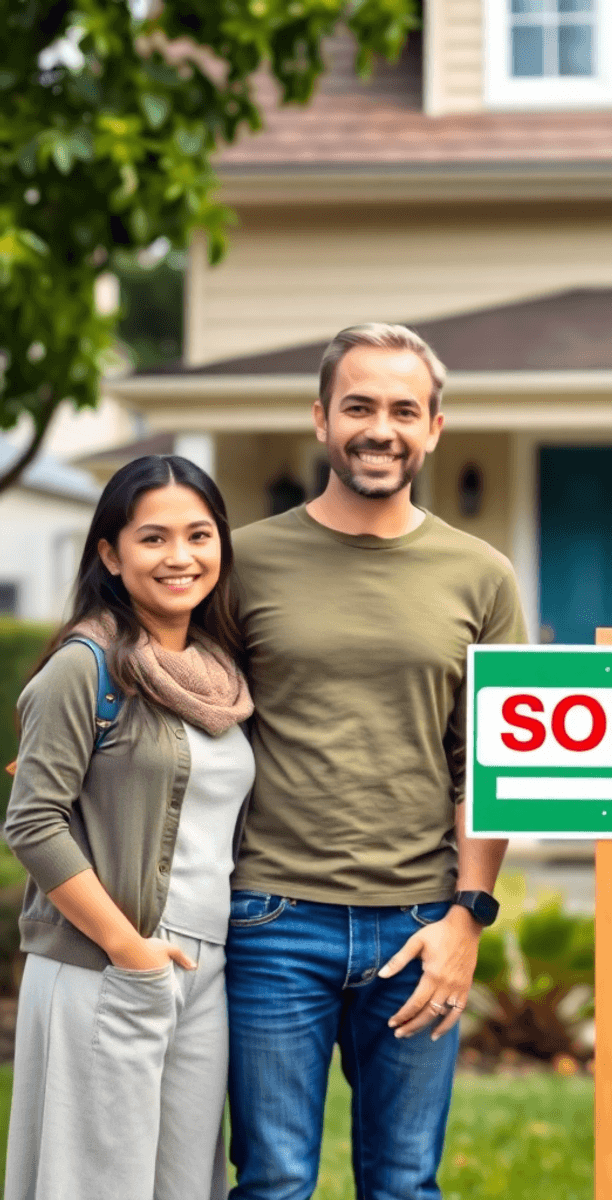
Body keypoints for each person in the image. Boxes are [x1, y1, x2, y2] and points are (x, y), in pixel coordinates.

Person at [225, 323, 525, 1200]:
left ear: (434, 428)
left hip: (421, 923)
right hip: (273, 921)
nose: (379, 428)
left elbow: (490, 765)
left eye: (403, 409)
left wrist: (467, 917)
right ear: (321, 419)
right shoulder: (241, 561)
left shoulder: (482, 576)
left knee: (403, 1184)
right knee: (275, 1180)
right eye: (359, 405)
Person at [3, 455, 254, 1200]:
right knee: (98, 1185)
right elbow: (33, 821)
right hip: (109, 962)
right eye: (153, 538)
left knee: (184, 1185)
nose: (180, 557)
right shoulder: (85, 667)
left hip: (206, 968)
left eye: (199, 535)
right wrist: (129, 952)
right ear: (110, 554)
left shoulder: (220, 674)